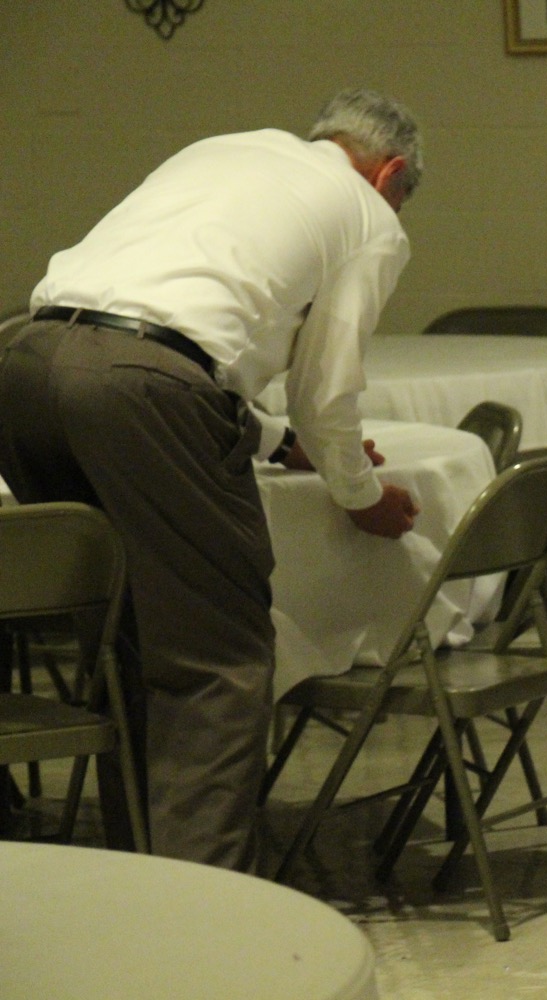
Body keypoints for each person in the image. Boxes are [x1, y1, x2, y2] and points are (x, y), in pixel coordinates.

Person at [0, 88, 425, 872]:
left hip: (27, 367)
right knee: (217, 661)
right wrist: (361, 498)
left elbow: (162, 334)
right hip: (141, 390)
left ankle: (139, 870)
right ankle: (207, 907)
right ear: (390, 173)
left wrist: (282, 443)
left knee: (130, 638)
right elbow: (323, 390)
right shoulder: (369, 215)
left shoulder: (227, 148)